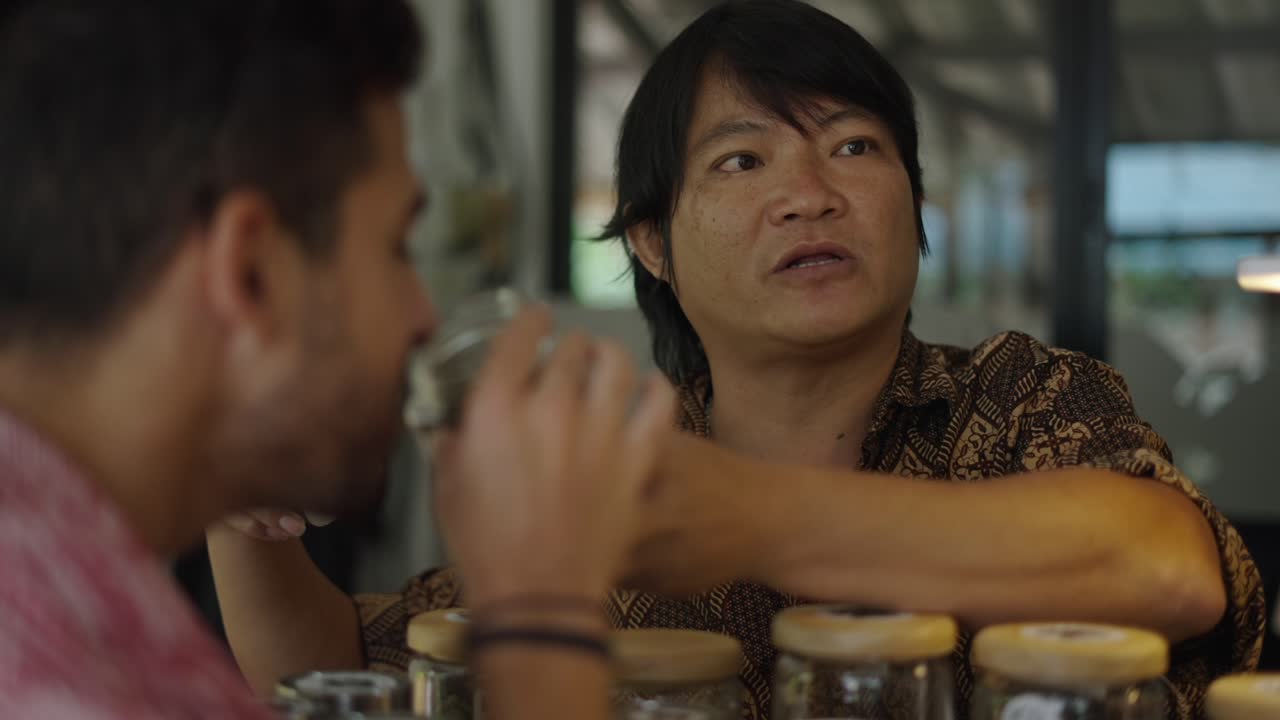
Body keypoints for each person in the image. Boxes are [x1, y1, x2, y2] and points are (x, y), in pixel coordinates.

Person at [210, 1, 1266, 718]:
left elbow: (1169, 568)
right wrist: (244, 518)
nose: (810, 190)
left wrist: (746, 518)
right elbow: (341, 671)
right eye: (741, 159)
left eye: (854, 146)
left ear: (913, 202)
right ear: (652, 243)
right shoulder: (616, 460)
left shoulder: (1019, 394)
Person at [0, 1, 671, 717]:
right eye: (394, 247)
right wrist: (543, 607)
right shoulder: (54, 681)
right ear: (252, 273)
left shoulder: (71, 580)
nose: (422, 314)